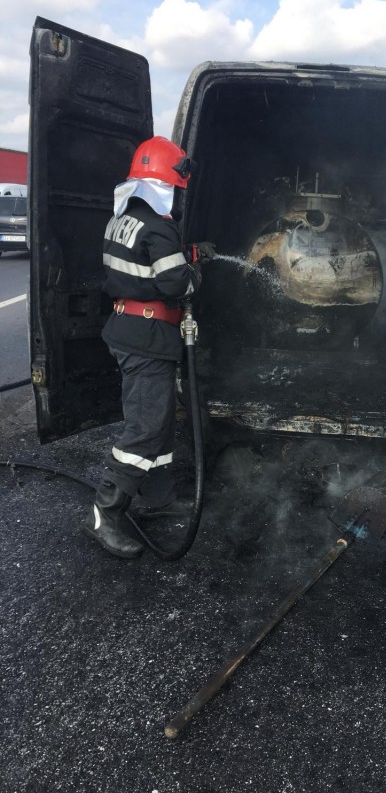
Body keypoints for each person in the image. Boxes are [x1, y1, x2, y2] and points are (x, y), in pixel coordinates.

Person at [81, 136, 216, 558]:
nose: (176, 196)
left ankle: (158, 498)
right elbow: (174, 282)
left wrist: (187, 252)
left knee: (154, 420)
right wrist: (195, 272)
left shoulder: (124, 219)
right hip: (148, 337)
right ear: (166, 184)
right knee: (145, 427)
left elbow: (144, 264)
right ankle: (106, 511)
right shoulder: (160, 226)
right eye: (176, 188)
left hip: (127, 330)